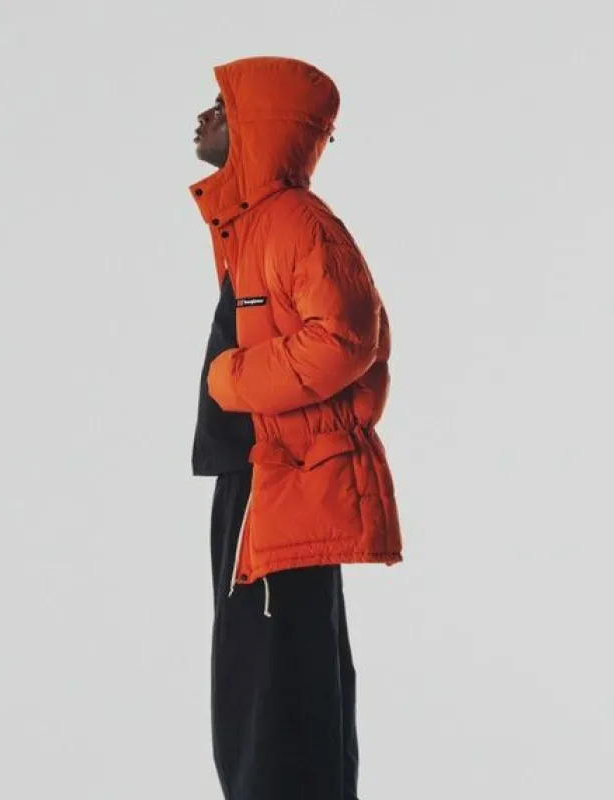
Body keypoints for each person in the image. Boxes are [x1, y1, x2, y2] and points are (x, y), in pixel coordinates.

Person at [189, 55, 403, 800]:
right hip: (258, 480)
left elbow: (347, 338)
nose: (204, 118)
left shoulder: (294, 222)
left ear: (261, 124)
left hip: (284, 480)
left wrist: (232, 381)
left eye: (222, 106)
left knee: (276, 693)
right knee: (265, 686)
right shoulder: (254, 226)